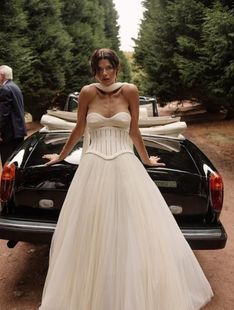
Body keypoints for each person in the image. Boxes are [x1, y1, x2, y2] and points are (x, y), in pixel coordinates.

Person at [39, 48, 213, 310]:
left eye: (109, 68)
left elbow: (134, 130)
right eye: (100, 69)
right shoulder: (87, 92)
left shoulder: (129, 90)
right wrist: (61, 155)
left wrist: (145, 159)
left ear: (117, 68)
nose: (105, 73)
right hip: (93, 165)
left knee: (132, 227)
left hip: (124, 162)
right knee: (90, 229)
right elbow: (80, 128)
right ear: (95, 71)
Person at [0, 65, 27, 166]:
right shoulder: (15, 87)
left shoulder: (5, 89)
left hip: (9, 134)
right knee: (16, 163)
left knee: (7, 164)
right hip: (18, 132)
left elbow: (3, 113)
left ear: (2, 75)